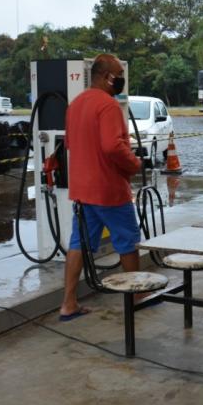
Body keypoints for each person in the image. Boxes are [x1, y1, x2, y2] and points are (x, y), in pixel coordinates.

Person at [59, 54, 142, 321]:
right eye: (118, 74)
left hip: (83, 190)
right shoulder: (108, 105)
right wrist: (134, 164)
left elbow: (70, 145)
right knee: (127, 241)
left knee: (78, 244)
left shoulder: (76, 104)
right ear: (107, 77)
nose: (121, 79)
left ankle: (68, 303)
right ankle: (138, 296)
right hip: (109, 189)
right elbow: (112, 146)